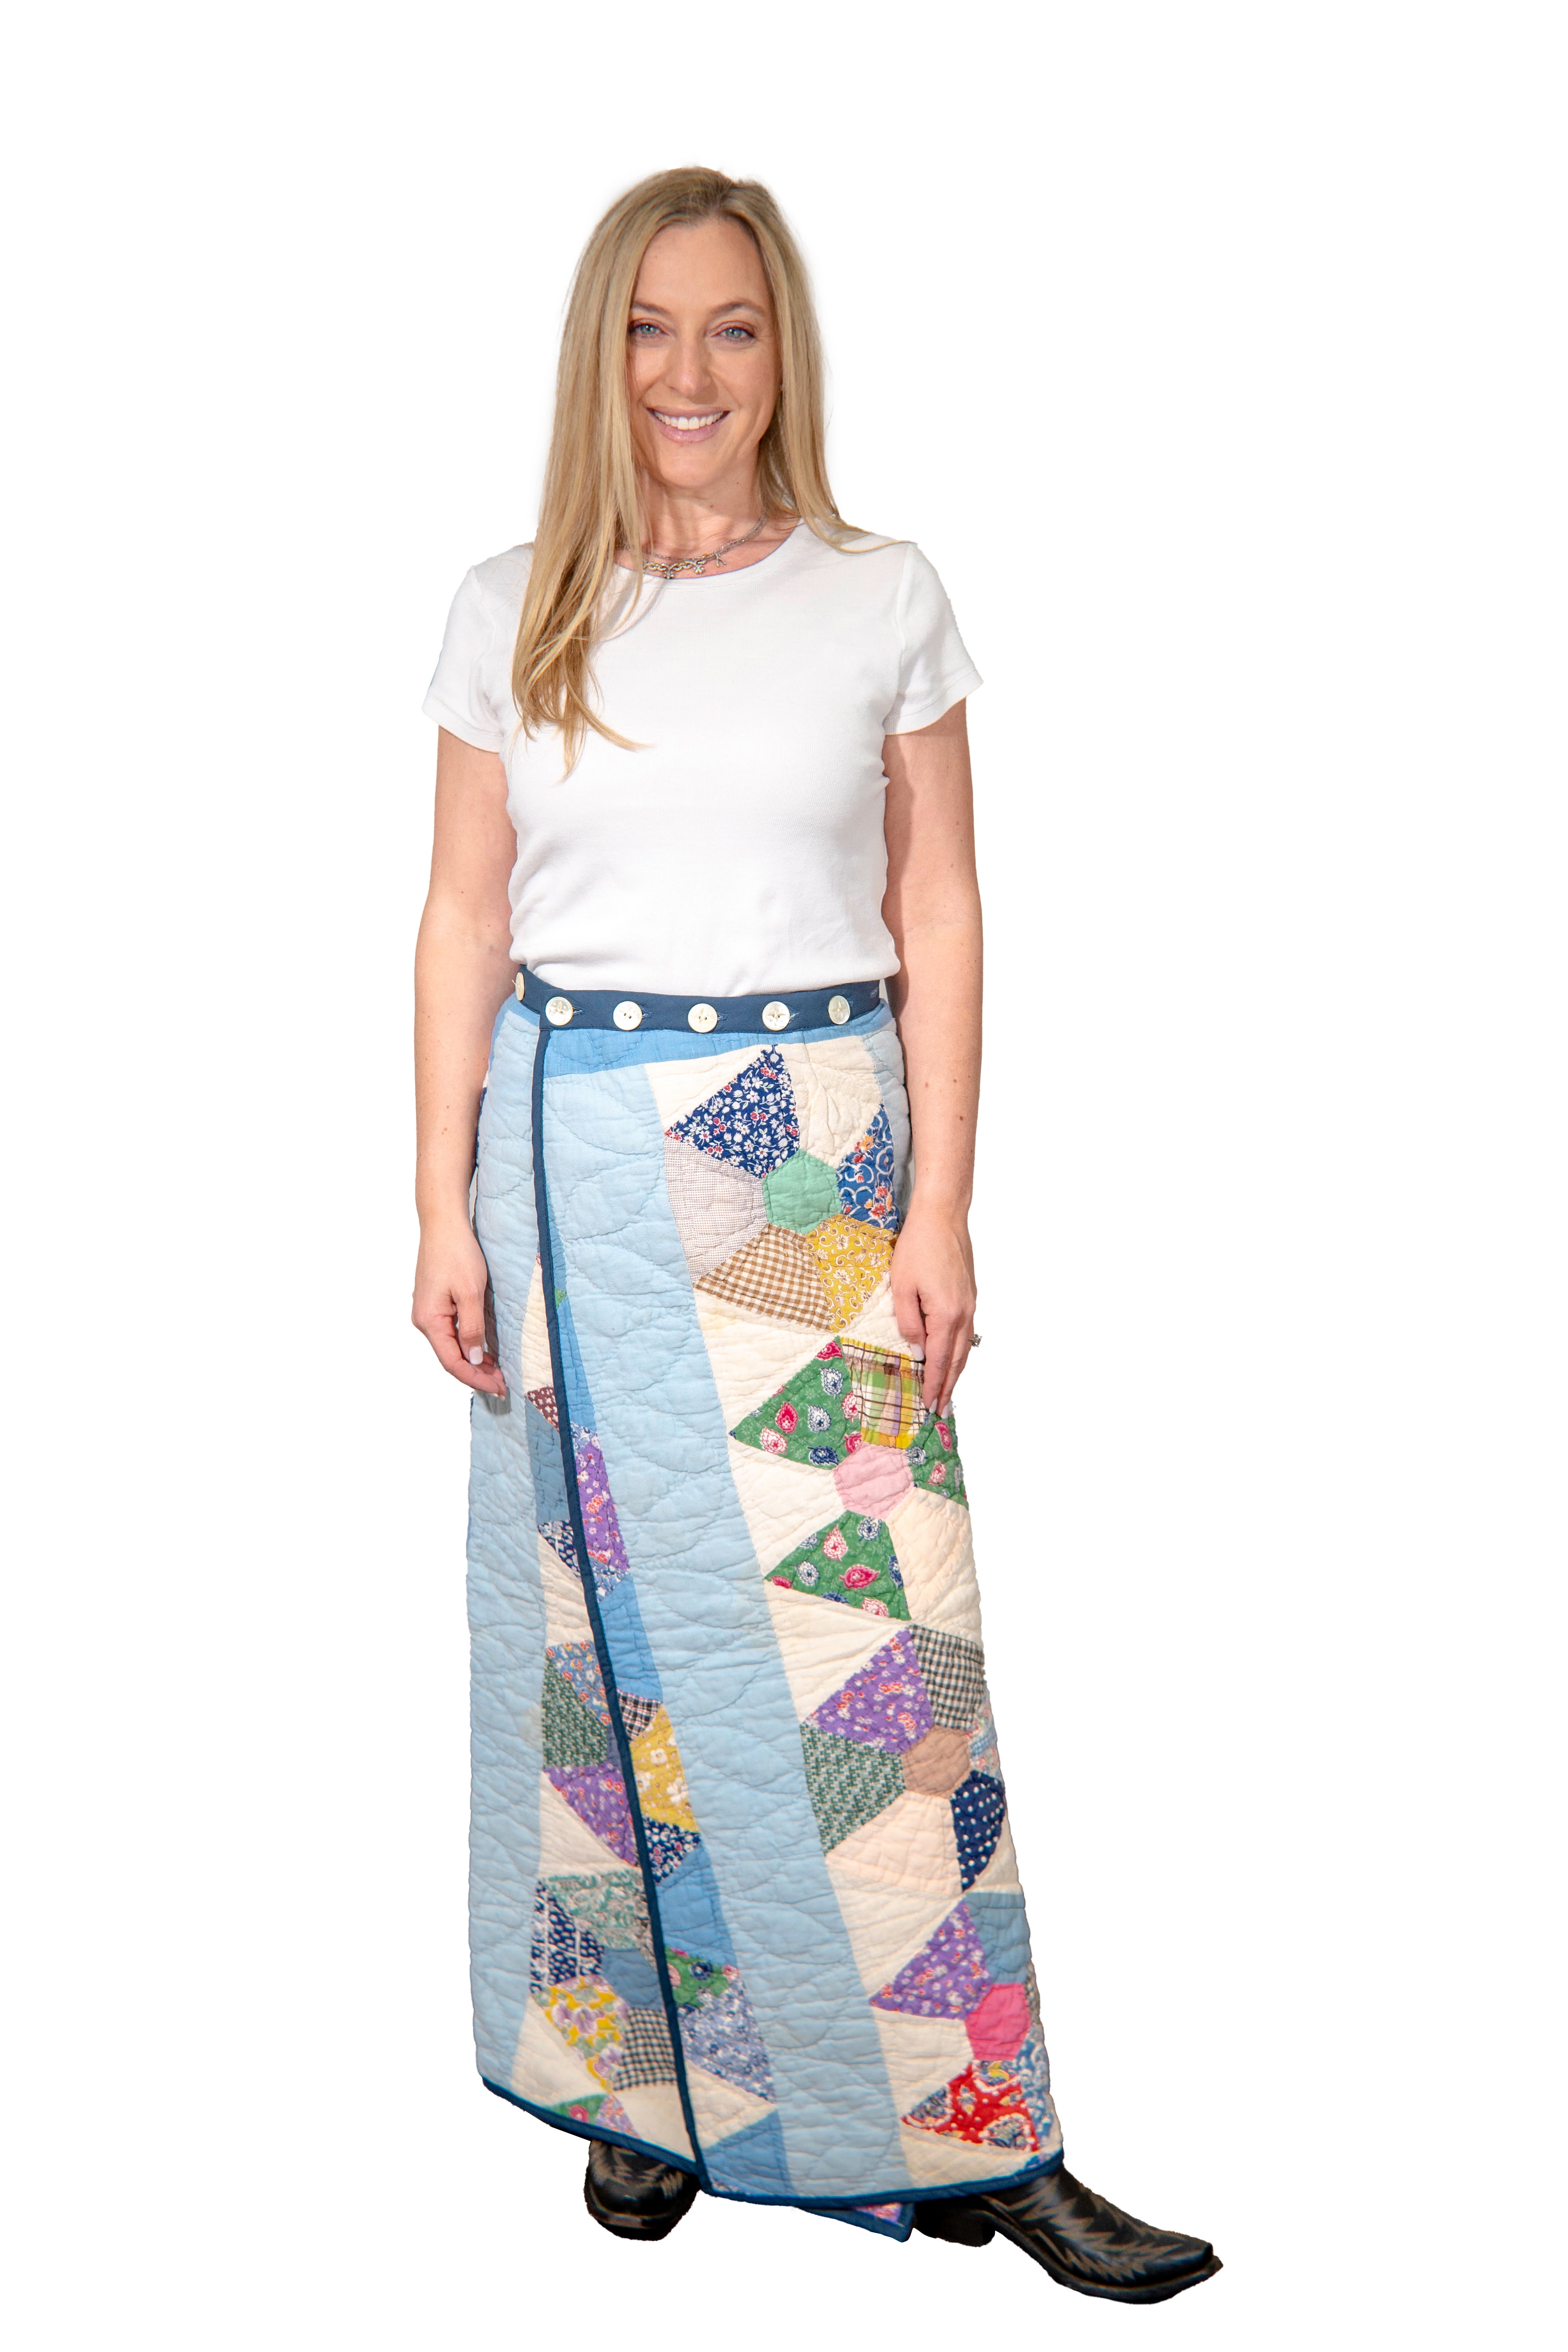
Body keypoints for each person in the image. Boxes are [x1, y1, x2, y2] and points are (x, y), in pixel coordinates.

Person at [413, 165, 1219, 2306]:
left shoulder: (878, 594)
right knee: (601, 1642)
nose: (688, 371)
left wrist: (940, 1202)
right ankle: (642, 2090)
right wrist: (432, 1204)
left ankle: (986, 2133)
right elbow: (463, 918)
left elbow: (937, 900)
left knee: (888, 1654)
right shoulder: (513, 604)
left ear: (783, 352)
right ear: (599, 354)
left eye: (732, 326)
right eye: (649, 327)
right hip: (573, 1166)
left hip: (811, 1167)